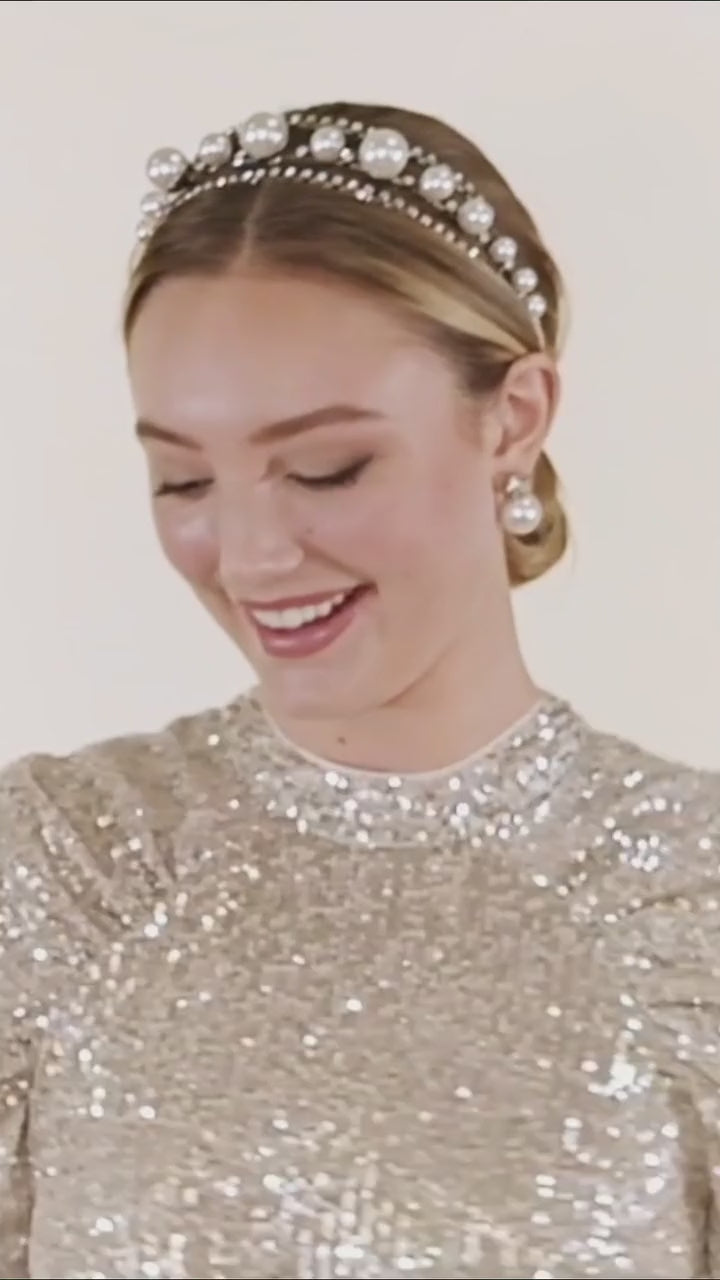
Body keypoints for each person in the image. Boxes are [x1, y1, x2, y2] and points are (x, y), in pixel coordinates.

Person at [0, 99, 718, 1280]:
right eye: (182, 480)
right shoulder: (70, 870)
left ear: (516, 417)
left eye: (326, 467)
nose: (250, 553)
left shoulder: (693, 899)